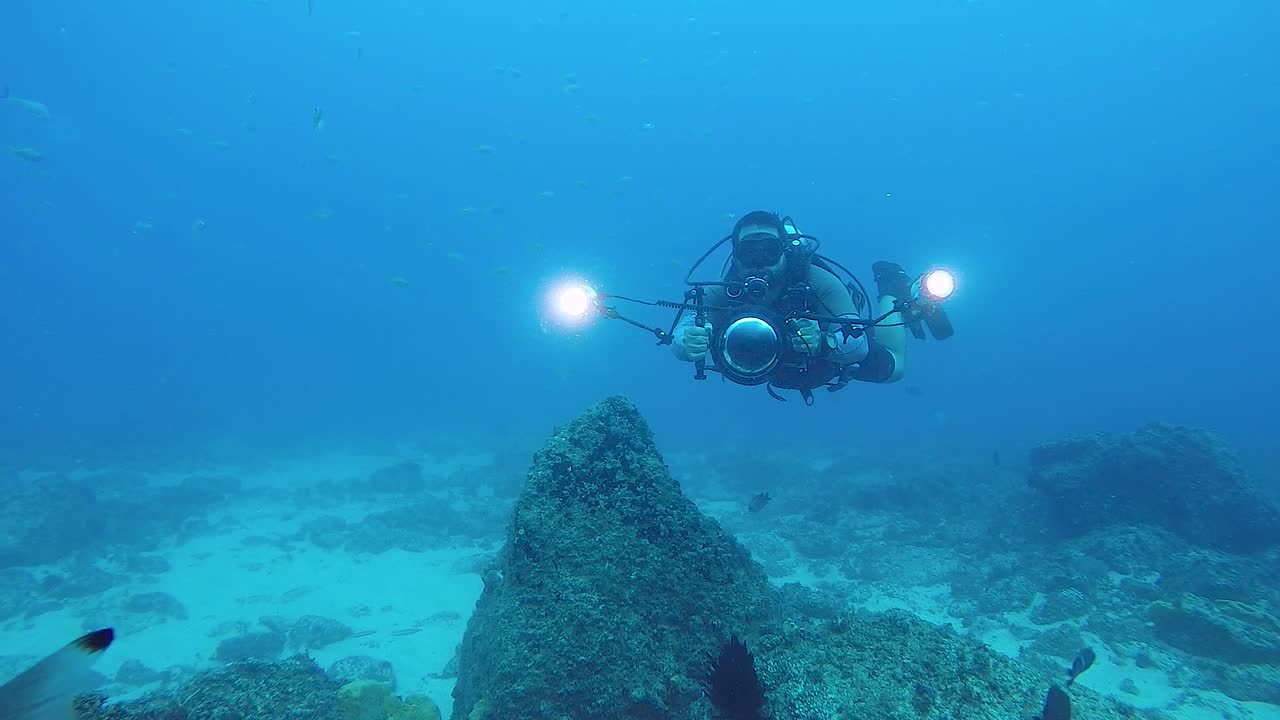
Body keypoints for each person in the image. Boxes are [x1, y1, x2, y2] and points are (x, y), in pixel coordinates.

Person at [671, 210, 910, 393]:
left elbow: (860, 344)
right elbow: (684, 330)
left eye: (769, 250)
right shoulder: (720, 290)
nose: (759, 260)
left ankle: (889, 288)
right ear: (736, 255)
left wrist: (825, 342)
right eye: (749, 252)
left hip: (821, 364)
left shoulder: (819, 281)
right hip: (770, 368)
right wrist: (687, 342)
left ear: (784, 250)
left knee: (894, 368)